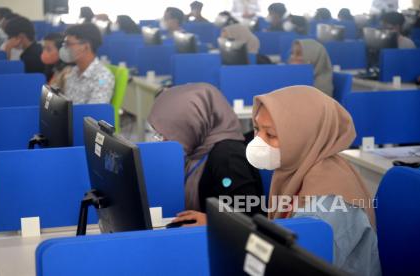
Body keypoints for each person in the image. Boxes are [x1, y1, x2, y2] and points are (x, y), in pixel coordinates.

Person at [248, 85, 381, 275]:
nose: (258, 141)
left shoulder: (328, 203)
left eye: (270, 134)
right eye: (256, 129)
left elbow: (299, 268)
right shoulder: (296, 170)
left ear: (302, 136)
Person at [148, 83, 264, 226]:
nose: (163, 139)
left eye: (166, 132)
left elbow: (249, 218)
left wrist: (211, 222)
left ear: (191, 123)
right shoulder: (196, 151)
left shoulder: (228, 157)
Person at [61, 23, 114, 104]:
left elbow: (94, 113)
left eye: (68, 44)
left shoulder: (102, 78)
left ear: (85, 47)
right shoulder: (73, 72)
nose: (65, 48)